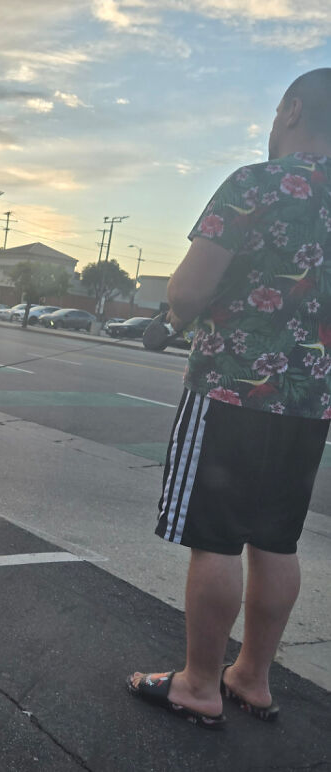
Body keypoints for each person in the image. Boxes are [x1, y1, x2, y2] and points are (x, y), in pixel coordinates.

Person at [127, 69, 331, 729]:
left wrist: (172, 318)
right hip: (311, 403)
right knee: (275, 540)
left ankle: (198, 685)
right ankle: (253, 678)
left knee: (214, 539)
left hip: (231, 389)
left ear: (293, 110)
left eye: (277, 112)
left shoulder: (256, 183)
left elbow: (187, 291)